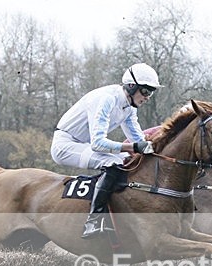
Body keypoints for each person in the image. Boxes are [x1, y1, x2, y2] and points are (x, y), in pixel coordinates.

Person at [50, 62, 162, 238]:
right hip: (65, 145)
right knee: (114, 160)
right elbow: (98, 144)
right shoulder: (107, 99)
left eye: (151, 92)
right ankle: (94, 220)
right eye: (146, 91)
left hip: (83, 144)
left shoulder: (129, 107)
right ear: (132, 87)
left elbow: (139, 140)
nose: (148, 97)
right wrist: (132, 147)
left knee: (126, 159)